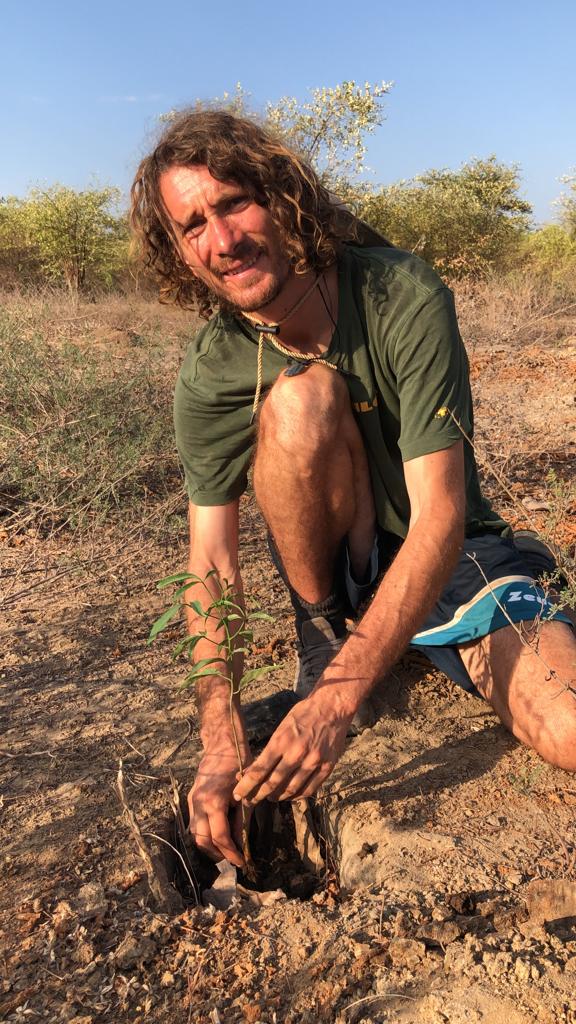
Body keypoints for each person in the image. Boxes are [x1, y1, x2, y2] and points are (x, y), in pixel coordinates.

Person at [131, 109, 576, 869]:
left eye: (235, 202)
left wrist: (334, 701)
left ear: (283, 195)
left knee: (565, 727)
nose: (222, 240)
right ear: (178, 251)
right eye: (193, 224)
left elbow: (439, 515)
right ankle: (326, 635)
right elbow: (211, 558)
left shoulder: (400, 292)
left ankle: (356, 669)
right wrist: (218, 733)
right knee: (300, 400)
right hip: (342, 571)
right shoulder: (213, 368)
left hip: (456, 562)